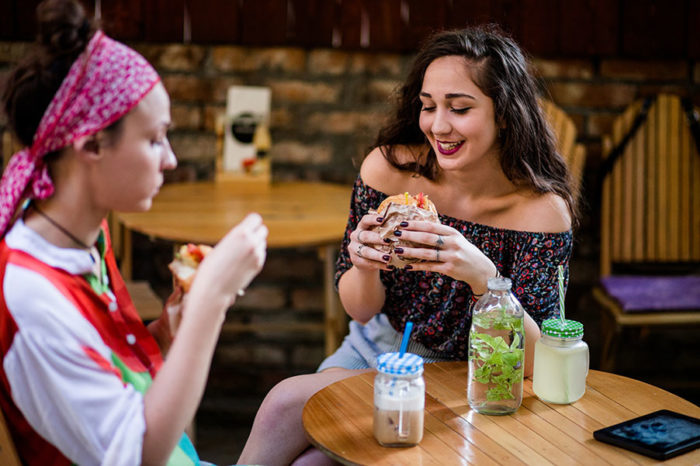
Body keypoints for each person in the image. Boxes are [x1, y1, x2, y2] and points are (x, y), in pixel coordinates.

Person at [238, 24, 575, 465]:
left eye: (460, 108)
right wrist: (362, 264)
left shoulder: (540, 212)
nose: (438, 126)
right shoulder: (389, 171)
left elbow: (537, 362)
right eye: (428, 106)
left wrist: (482, 275)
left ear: (505, 113)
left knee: (297, 423)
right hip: (376, 346)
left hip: (467, 378)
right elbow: (359, 310)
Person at [0, 0, 267, 464]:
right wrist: (210, 303)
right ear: (92, 145)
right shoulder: (29, 293)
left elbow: (106, 375)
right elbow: (136, 454)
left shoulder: (80, 233)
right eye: (154, 137)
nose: (171, 158)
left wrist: (167, 333)